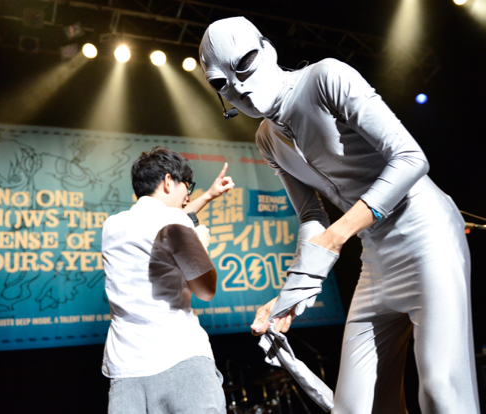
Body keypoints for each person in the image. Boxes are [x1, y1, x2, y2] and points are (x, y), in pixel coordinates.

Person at [199, 17, 480, 414]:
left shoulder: (325, 77)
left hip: (426, 234)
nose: (238, 86)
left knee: (441, 391)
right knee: (354, 406)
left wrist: (337, 236)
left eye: (243, 64)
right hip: (376, 258)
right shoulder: (266, 138)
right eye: (220, 82)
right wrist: (291, 294)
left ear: (269, 49)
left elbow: (410, 158)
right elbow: (310, 216)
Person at [101, 146, 234, 414]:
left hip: (126, 369)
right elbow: (205, 290)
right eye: (188, 186)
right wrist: (201, 244)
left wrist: (208, 196)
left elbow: (166, 220)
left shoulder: (113, 225)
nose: (188, 196)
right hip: (181, 357)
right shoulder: (173, 220)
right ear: (168, 181)